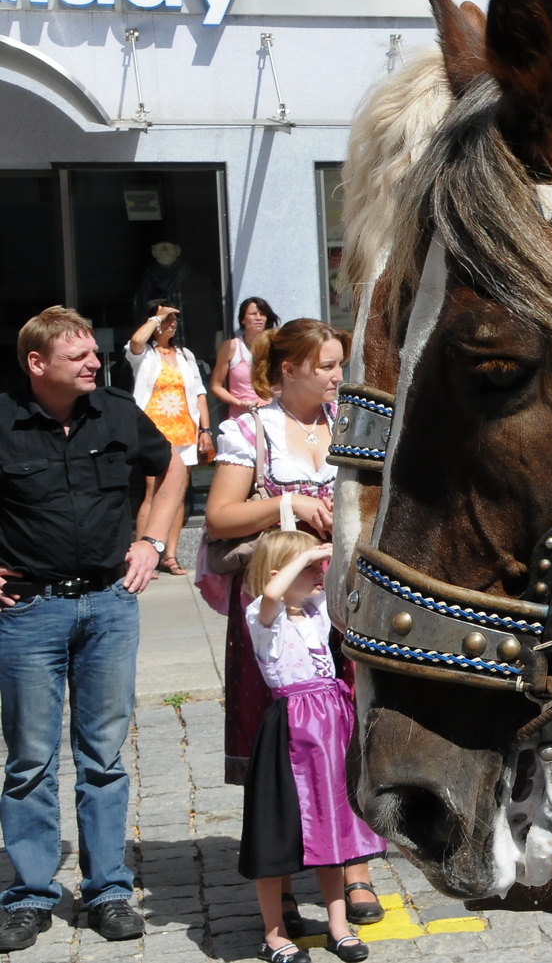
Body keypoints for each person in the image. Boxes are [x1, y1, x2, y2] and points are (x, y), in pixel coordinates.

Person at [0, 306, 189, 952]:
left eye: (93, 351)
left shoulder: (114, 411)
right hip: (29, 611)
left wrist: (151, 539)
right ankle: (29, 895)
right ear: (37, 363)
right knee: (29, 760)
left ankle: (108, 887)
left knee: (103, 756)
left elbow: (174, 468)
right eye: (78, 353)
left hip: (110, 604)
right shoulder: (3, 418)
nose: (93, 360)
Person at [202, 319, 384, 930]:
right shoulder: (248, 430)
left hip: (346, 603)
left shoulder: (350, 428)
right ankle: (278, 880)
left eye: (340, 365)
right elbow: (222, 517)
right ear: (289, 369)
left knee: (348, 732)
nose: (339, 376)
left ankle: (355, 868)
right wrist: (291, 506)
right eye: (328, 366)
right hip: (277, 609)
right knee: (275, 741)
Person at [240, 532, 382, 963]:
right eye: (309, 569)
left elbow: (347, 585)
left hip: (332, 725)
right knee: (277, 829)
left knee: (334, 826)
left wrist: (329, 556)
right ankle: (274, 933)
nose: (319, 573)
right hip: (293, 731)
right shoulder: (264, 617)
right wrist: (303, 554)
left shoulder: (318, 609)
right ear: (282, 573)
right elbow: (270, 592)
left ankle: (337, 925)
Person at [126, 300, 212, 575]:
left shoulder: (185, 354)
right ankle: (142, 553)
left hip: (184, 429)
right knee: (152, 492)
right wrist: (157, 316)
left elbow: (199, 394)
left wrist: (206, 431)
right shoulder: (144, 354)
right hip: (154, 431)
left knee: (177, 493)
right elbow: (137, 340)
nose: (171, 322)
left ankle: (169, 555)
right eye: (166, 318)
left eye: (175, 318)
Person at [212, 297, 278, 417]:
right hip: (240, 416)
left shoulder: (275, 347)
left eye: (262, 314)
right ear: (243, 320)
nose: (258, 318)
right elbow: (216, 386)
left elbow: (287, 382)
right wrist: (238, 403)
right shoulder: (231, 346)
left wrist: (270, 398)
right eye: (253, 314)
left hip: (271, 414)